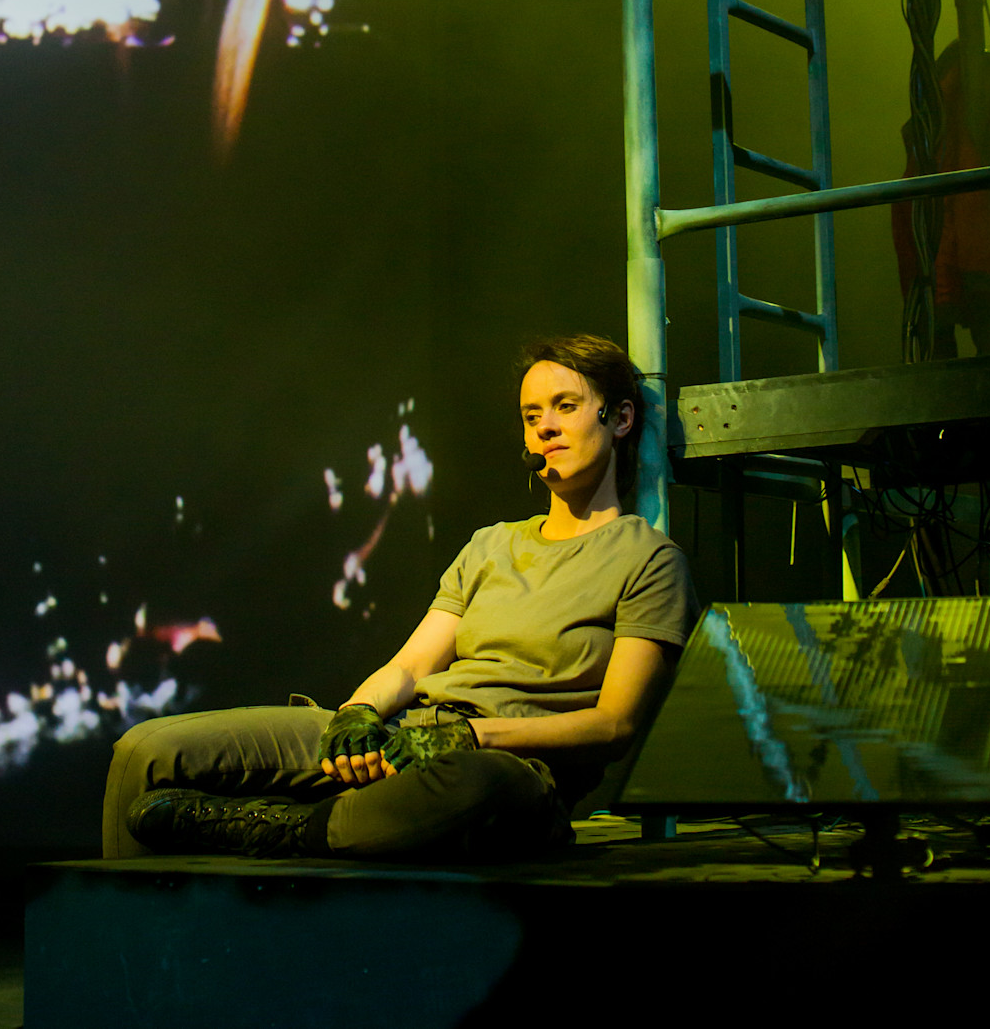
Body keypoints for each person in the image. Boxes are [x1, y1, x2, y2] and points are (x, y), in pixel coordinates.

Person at [102, 334, 701, 863]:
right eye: (530, 414)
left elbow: (614, 723)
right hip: (407, 734)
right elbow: (412, 666)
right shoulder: (491, 545)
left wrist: (473, 738)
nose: (544, 426)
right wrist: (358, 716)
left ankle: (281, 828)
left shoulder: (649, 560)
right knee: (147, 751)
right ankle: (119, 930)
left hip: (506, 768)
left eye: (565, 407)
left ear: (620, 418)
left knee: (469, 784)